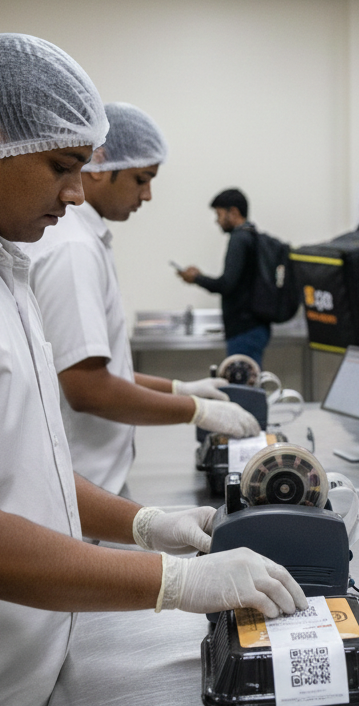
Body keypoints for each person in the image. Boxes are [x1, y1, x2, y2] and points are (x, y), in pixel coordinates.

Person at [0, 34, 305, 706]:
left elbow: (33, 466)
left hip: (32, 680)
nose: (77, 193)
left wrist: (145, 525)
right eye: (59, 167)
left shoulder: (0, 265)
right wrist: (173, 583)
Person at [26, 104, 259, 496]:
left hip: (97, 481)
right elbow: (88, 388)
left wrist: (179, 388)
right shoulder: (73, 250)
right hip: (83, 485)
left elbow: (95, 369)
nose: (147, 195)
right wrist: (196, 411)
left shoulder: (87, 242)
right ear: (98, 165)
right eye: (141, 179)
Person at [177, 188, 270, 366]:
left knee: (243, 390)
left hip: (244, 330)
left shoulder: (239, 239)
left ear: (233, 212)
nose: (216, 220)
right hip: (256, 327)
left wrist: (196, 278)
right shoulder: (252, 235)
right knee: (249, 385)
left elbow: (227, 285)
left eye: (219, 214)